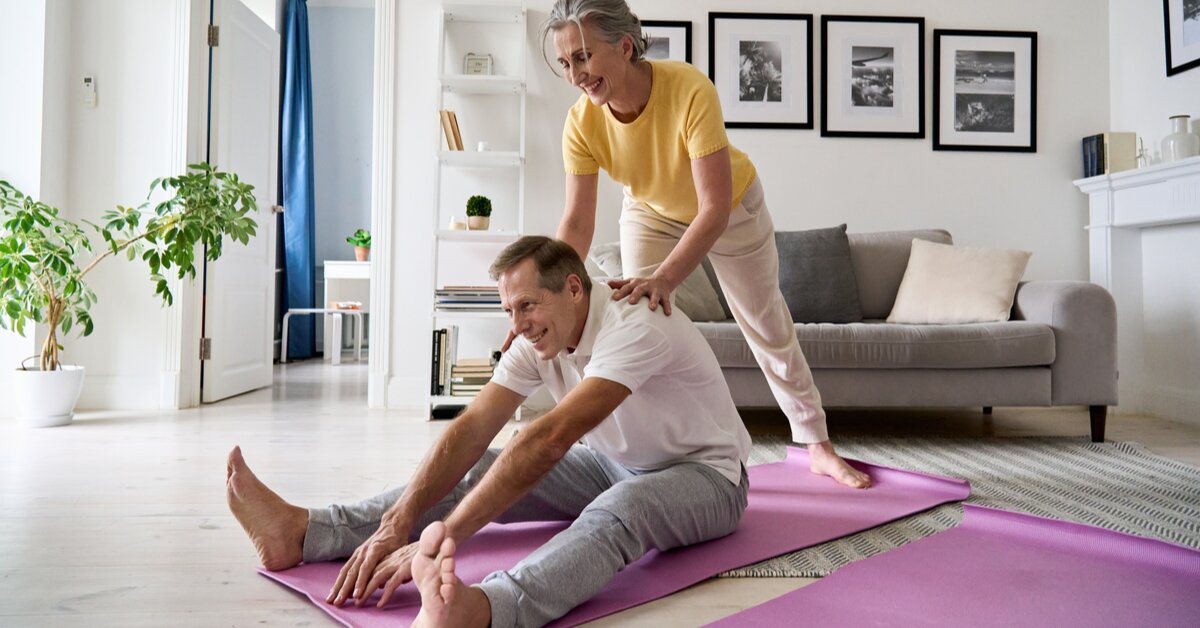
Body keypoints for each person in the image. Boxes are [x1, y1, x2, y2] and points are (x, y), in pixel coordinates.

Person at [228, 236, 756, 627]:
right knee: (482, 467)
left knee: (621, 511)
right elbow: (472, 430)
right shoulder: (537, 336)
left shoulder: (636, 326)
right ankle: (303, 533)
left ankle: (483, 609)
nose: (518, 323)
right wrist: (400, 522)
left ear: (574, 289)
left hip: (705, 477)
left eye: (528, 305)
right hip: (614, 466)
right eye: (509, 309)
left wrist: (445, 538)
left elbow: (548, 439)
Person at [544, 0, 870, 489]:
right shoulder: (581, 124)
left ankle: (817, 445)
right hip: (651, 210)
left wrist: (665, 278)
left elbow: (713, 206)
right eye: (566, 63)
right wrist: (543, 286)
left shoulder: (688, 88)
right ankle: (651, 455)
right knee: (640, 319)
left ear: (625, 46)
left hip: (732, 208)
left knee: (763, 320)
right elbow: (576, 223)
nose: (576, 75)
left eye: (584, 57)